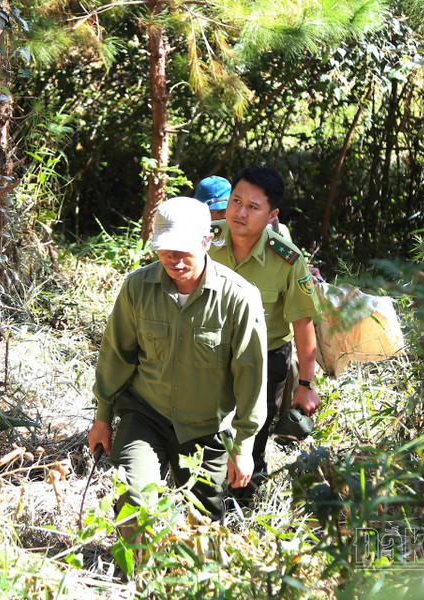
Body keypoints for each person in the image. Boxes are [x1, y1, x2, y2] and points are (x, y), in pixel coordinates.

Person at [87, 196, 270, 524]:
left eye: (184, 249)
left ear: (207, 241)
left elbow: (251, 376)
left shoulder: (239, 298)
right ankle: (135, 571)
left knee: (202, 521)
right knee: (132, 499)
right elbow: (116, 354)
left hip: (207, 427)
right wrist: (102, 418)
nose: (173, 259)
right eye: (165, 248)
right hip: (147, 414)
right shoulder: (137, 288)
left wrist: (243, 444)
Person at [208, 166, 320, 475]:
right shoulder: (206, 241)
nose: (240, 212)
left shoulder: (288, 259)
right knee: (206, 428)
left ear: (272, 214)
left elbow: (302, 322)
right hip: (210, 349)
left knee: (254, 433)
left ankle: (245, 493)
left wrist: (306, 385)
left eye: (253, 207)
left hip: (265, 357)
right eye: (235, 201)